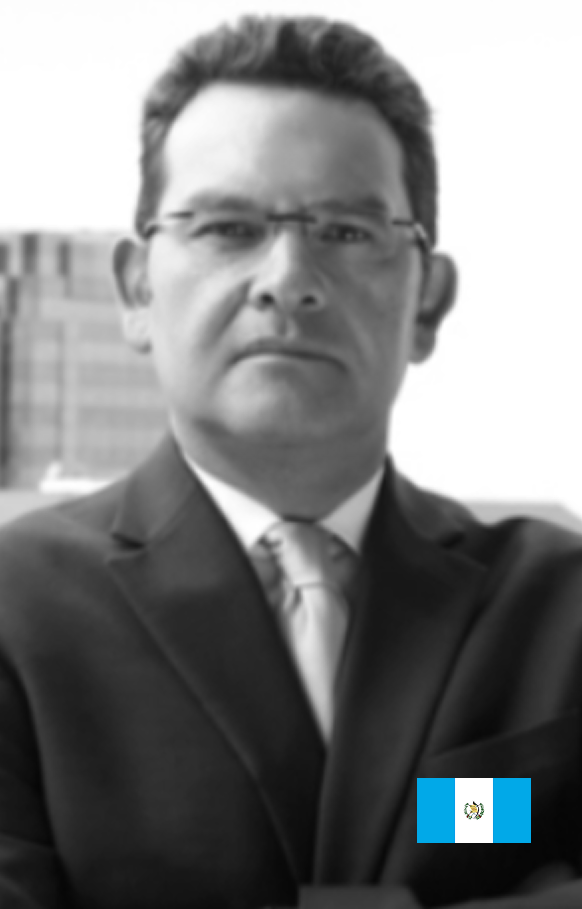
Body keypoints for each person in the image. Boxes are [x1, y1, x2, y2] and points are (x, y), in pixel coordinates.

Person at [0, 14, 581, 909]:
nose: (287, 279)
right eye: (227, 227)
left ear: (427, 303)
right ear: (138, 289)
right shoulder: (17, 608)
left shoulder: (559, 609)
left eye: (346, 232)